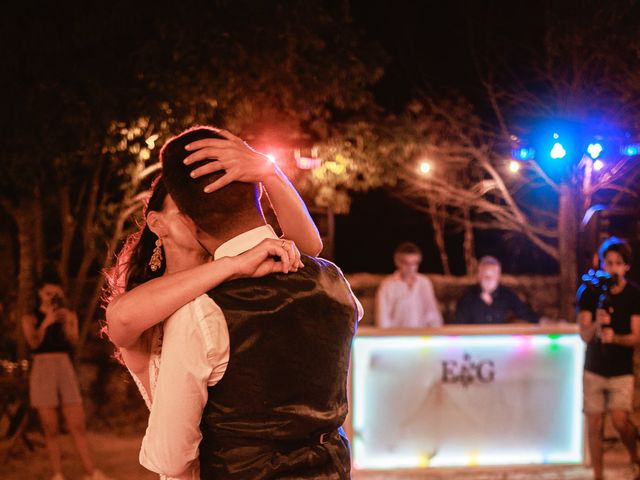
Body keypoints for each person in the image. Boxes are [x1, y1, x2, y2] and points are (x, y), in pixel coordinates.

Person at [143, 125, 362, 479]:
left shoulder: (201, 311)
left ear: (187, 220)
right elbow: (310, 247)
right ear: (257, 193)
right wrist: (269, 171)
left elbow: (171, 458)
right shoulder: (335, 284)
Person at [22, 274, 112, 480]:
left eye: (56, 294)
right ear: (39, 293)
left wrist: (67, 322)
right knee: (50, 427)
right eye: (47, 293)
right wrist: (46, 321)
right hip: (42, 367)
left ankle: (92, 472)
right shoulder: (30, 317)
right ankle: (57, 474)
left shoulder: (68, 315)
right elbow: (33, 343)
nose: (51, 297)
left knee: (77, 424)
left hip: (64, 366)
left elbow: (73, 342)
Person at [577, 237, 640, 480]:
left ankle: (634, 456)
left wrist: (615, 338)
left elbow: (636, 336)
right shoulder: (588, 292)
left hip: (621, 368)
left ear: (626, 266)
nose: (612, 268)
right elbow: (583, 333)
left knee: (620, 419)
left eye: (617, 263)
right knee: (594, 424)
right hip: (594, 367)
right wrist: (597, 322)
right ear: (601, 263)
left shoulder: (634, 295)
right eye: (608, 262)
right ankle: (598, 476)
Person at [453, 256, 540, 324]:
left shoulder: (506, 294)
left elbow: (524, 312)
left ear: (498, 277)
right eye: (485, 275)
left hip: (499, 341)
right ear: (479, 276)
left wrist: (542, 321)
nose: (489, 279)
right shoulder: (467, 297)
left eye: (493, 275)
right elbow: (459, 325)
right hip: (474, 343)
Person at [375, 242, 442, 328]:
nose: (411, 268)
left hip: (422, 336)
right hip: (397, 337)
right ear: (397, 262)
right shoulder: (387, 285)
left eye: (414, 263)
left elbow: (433, 315)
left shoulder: (424, 283)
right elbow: (382, 320)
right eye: (406, 263)